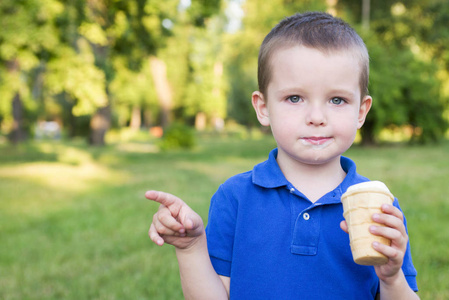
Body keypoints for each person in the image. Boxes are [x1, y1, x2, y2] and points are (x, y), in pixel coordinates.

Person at [146, 12, 419, 299]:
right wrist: (190, 249)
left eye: (337, 100)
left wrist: (392, 280)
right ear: (263, 107)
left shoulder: (379, 208)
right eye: (295, 98)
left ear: (361, 111)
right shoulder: (235, 198)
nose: (316, 117)